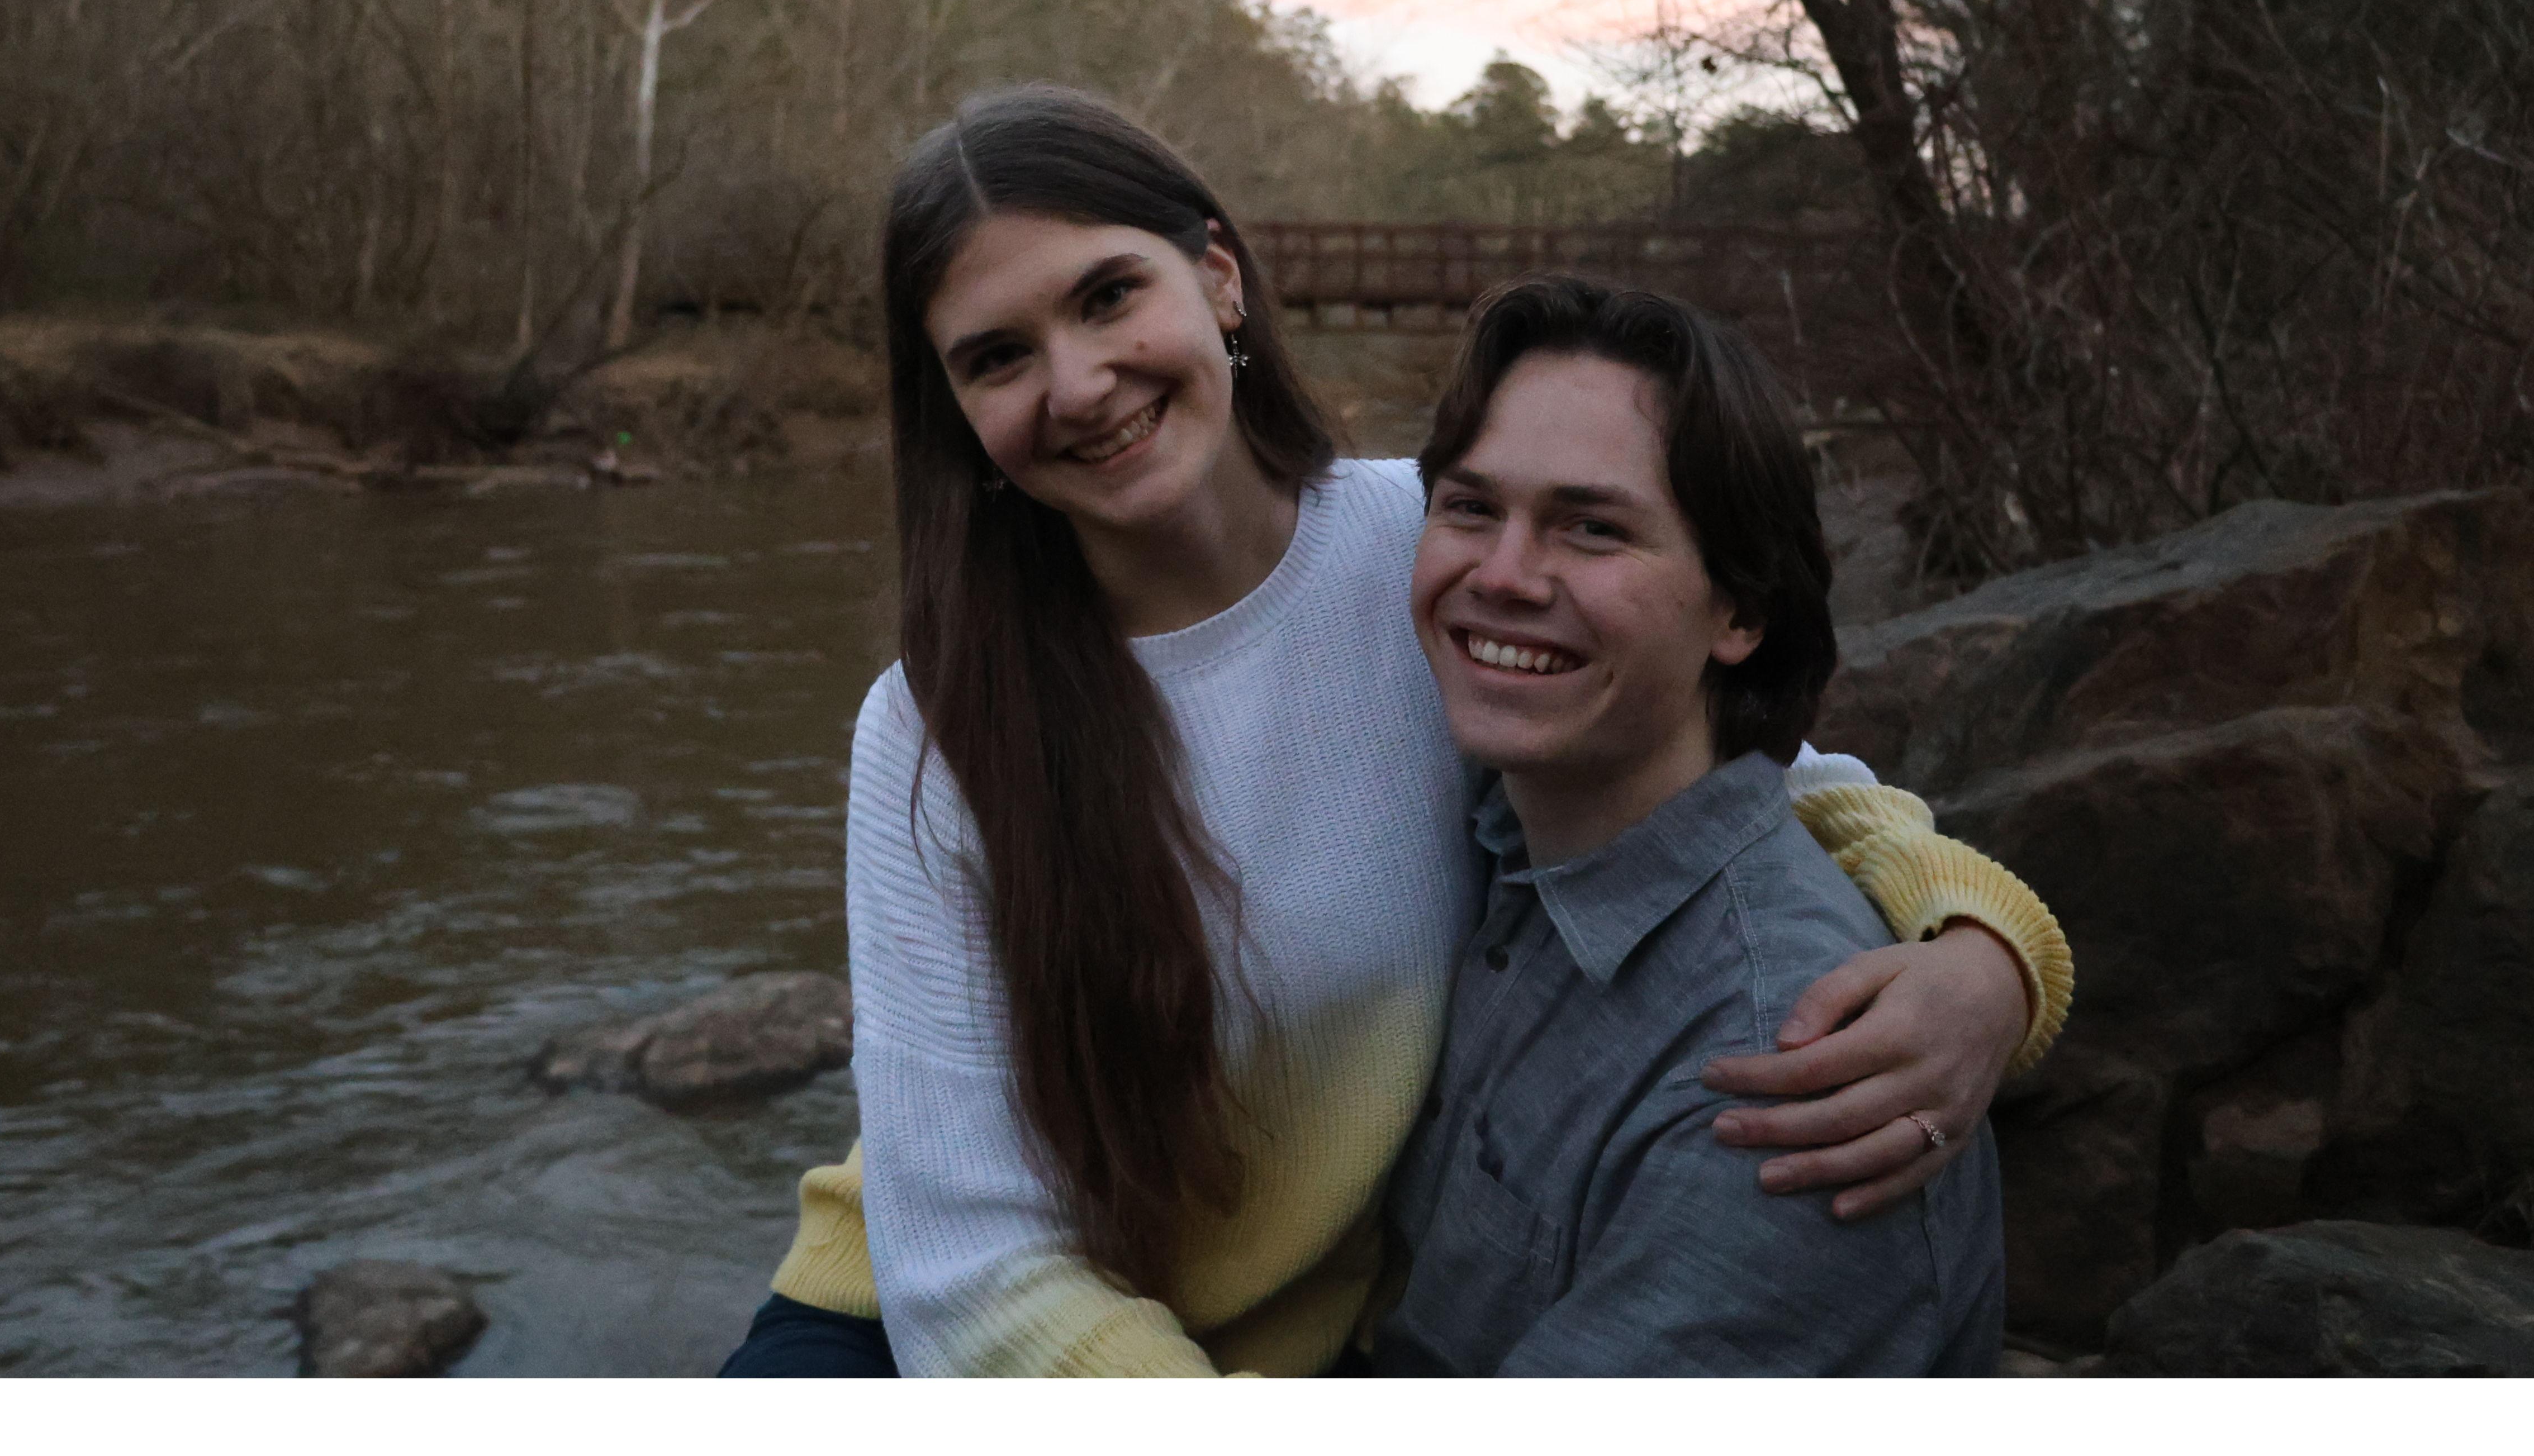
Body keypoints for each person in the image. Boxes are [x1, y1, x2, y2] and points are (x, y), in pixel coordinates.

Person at [720, 87, 2069, 1378]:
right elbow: (966, 1262)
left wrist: (1986, 953)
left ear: (1220, 279)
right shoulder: (935, 722)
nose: (1076, 384)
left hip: (1281, 1339)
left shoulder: (1429, 555)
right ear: (956, 411)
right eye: (998, 357)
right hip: (946, 1326)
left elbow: (1729, 770)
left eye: (1108, 295)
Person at [1370, 274, 2005, 1376]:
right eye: (1471, 509)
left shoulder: (1791, 1073)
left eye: (1593, 529)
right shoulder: (1504, 831)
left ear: (1740, 610)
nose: (1503, 575)